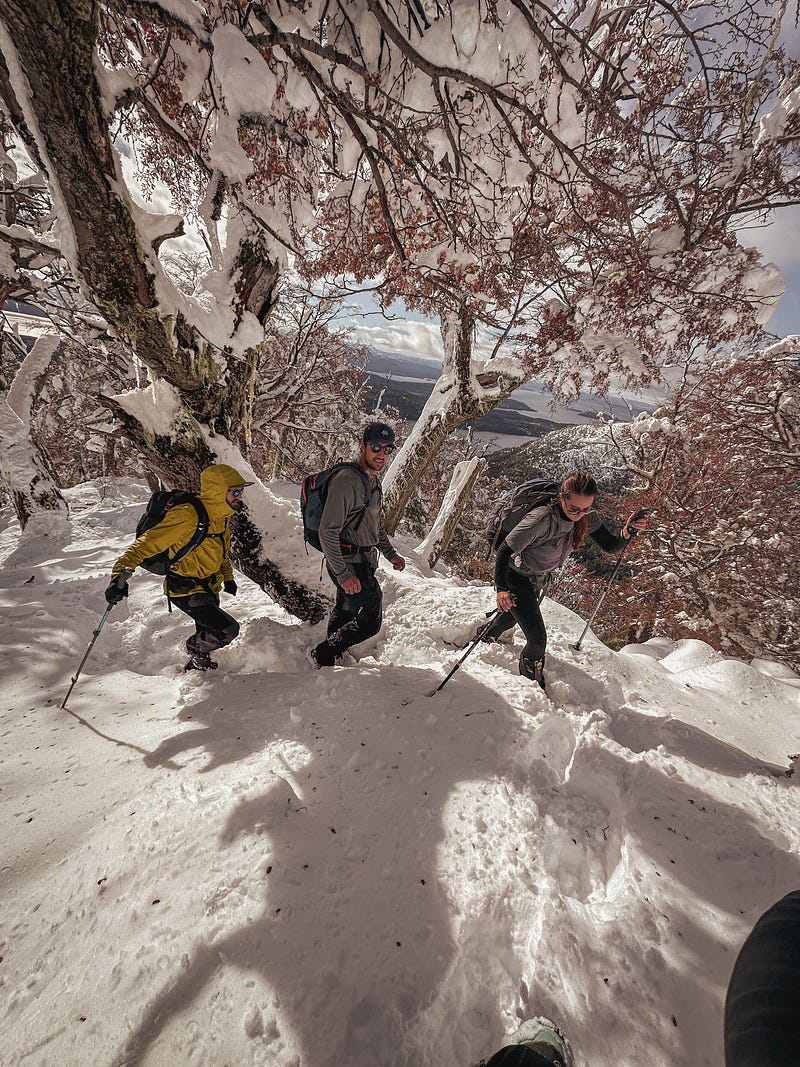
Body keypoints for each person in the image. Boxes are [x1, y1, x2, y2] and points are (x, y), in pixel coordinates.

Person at [491, 470, 648, 692]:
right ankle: (532, 685)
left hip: (534, 576)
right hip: (514, 575)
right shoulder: (541, 519)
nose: (579, 514)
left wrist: (628, 531)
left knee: (510, 618)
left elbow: (610, 545)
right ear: (562, 497)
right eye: (574, 508)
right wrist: (502, 590)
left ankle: (486, 635)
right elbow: (505, 550)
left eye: (585, 509)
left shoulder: (584, 516)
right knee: (537, 641)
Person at [105, 463, 252, 670]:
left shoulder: (222, 516)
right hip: (184, 588)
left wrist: (228, 577)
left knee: (207, 630)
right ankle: (194, 649)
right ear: (218, 491)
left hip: (209, 587)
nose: (239, 496)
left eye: (240, 491)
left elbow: (222, 552)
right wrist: (118, 575)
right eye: (234, 492)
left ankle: (199, 666)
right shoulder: (188, 515)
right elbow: (145, 544)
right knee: (227, 630)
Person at [309, 422, 405, 668]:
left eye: (387, 449)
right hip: (348, 561)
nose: (381, 454)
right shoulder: (347, 481)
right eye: (375, 447)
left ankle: (330, 657)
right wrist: (343, 574)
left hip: (361, 558)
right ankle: (324, 653)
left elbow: (374, 524)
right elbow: (327, 531)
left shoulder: (371, 480)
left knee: (345, 608)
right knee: (371, 620)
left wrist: (390, 553)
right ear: (362, 446)